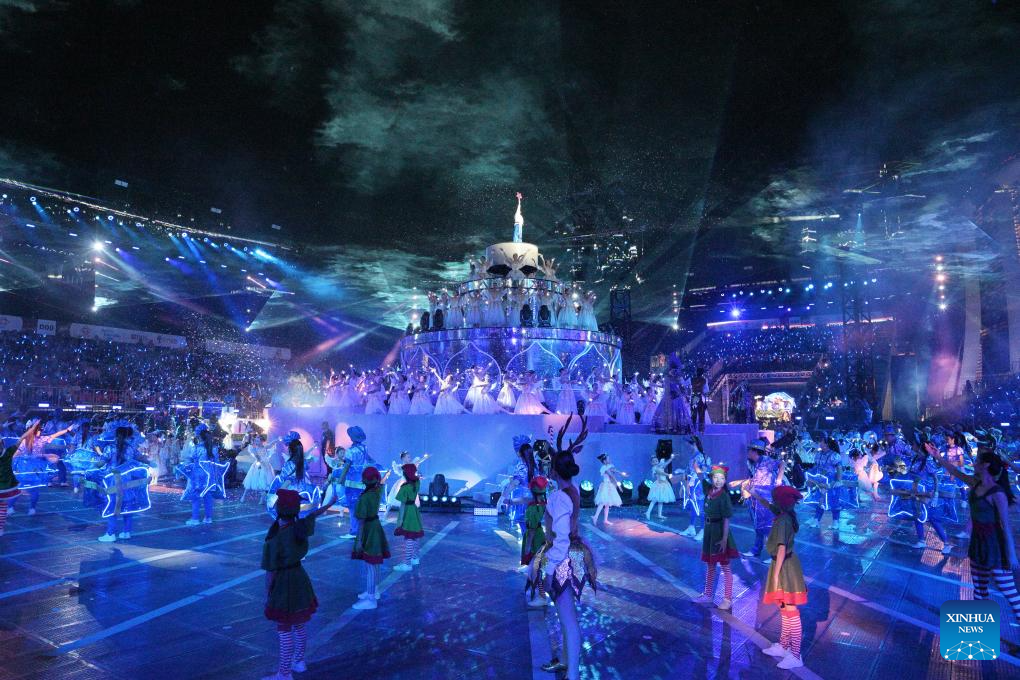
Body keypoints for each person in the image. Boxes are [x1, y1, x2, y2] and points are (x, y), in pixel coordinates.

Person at [526, 416, 596, 680]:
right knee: (566, 615)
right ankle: (566, 662)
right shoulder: (572, 491)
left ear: (554, 471)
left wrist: (548, 569)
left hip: (563, 560)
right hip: (570, 555)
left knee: (568, 618)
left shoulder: (558, 497)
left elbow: (562, 538)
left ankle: (573, 673)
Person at [932, 442, 1020, 622]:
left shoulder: (997, 493)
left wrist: (1012, 556)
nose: (974, 463)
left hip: (995, 548)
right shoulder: (975, 483)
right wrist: (938, 456)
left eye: (978, 461)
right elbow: (955, 471)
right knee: (979, 591)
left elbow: (1005, 526)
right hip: (978, 544)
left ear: (985, 465)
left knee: (1010, 593)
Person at [261, 488, 337, 680]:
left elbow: (270, 571)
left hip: (284, 582)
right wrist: (329, 503)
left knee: (284, 627)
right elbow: (314, 514)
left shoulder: (275, 539)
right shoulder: (300, 527)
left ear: (278, 509)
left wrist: (268, 594)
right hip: (300, 578)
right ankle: (299, 661)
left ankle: (284, 673)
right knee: (299, 623)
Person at [747, 484, 808, 670]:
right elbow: (769, 506)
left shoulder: (783, 521)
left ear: (781, 502)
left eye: (775, 499)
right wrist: (754, 494)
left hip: (785, 567)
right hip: (784, 564)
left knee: (790, 609)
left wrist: (774, 576)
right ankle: (783, 646)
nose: (773, 502)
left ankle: (795, 655)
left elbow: (781, 548)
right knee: (784, 608)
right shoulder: (785, 515)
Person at [96, 425, 153, 542]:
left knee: (113, 505)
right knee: (128, 504)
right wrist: (151, 463)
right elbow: (141, 458)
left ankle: (110, 533)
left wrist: (92, 468)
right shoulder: (131, 448)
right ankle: (126, 532)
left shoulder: (110, 448)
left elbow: (102, 462)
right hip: (128, 480)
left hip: (112, 480)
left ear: (116, 435)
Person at [694, 465, 739, 611]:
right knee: (710, 565)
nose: (719, 480)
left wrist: (724, 539)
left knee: (725, 567)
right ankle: (707, 595)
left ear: (725, 480)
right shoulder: (709, 490)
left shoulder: (724, 496)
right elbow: (701, 476)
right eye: (716, 477)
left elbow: (726, 519)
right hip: (709, 532)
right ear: (711, 478)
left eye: (722, 478)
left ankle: (727, 599)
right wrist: (696, 466)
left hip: (719, 532)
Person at [733, 439, 784, 561]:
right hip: (756, 497)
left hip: (766, 498)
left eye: (749, 450)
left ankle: (775, 555)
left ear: (755, 451)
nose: (747, 452)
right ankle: (756, 550)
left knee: (768, 527)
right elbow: (757, 479)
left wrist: (779, 479)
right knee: (758, 526)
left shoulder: (766, 460)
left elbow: (782, 463)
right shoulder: (755, 463)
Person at [351, 466, 390, 610]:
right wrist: (385, 475)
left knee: (370, 563)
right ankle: (373, 590)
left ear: (364, 480)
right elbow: (382, 482)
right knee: (375, 563)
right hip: (375, 527)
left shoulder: (365, 497)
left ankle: (371, 599)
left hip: (368, 529)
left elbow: (361, 521)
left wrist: (359, 540)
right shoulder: (377, 491)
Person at [179, 424, 227, 525]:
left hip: (198, 474)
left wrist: (184, 467)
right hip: (210, 475)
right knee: (208, 496)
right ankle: (208, 518)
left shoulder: (196, 448)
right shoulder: (213, 448)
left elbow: (190, 459)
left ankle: (195, 519)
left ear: (199, 435)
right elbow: (216, 462)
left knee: (196, 496)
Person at [337, 426, 374, 539]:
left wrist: (340, 480)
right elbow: (370, 460)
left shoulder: (350, 451)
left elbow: (347, 466)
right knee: (361, 506)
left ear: (352, 437)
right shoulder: (364, 448)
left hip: (352, 483)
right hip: (362, 482)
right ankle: (362, 530)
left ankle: (354, 531)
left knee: (353, 507)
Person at [393, 463, 424, 572]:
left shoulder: (405, 487)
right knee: (415, 535)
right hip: (414, 511)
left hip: (408, 512)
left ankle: (407, 563)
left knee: (409, 537)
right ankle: (415, 558)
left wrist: (400, 521)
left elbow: (402, 505)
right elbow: (418, 477)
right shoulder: (417, 483)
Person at [522, 476, 549, 598]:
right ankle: (533, 588)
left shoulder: (533, 508)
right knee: (536, 564)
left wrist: (528, 546)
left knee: (534, 565)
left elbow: (532, 530)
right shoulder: (543, 504)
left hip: (534, 538)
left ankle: (538, 592)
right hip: (540, 534)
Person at [681, 437, 710, 540]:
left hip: (699, 485)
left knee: (700, 507)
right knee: (692, 506)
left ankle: (703, 530)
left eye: (687, 444)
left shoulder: (702, 456)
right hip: (691, 485)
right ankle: (691, 527)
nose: (687, 446)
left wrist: (694, 478)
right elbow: (688, 470)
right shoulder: (693, 456)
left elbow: (705, 470)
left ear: (693, 443)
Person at [241, 434, 276, 504]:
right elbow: (257, 458)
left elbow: (271, 444)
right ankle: (243, 496)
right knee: (252, 480)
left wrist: (277, 440)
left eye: (258, 441)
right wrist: (260, 462)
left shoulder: (264, 446)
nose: (256, 442)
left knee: (263, 481)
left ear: (262, 441)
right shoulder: (254, 448)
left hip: (265, 464)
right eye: (256, 441)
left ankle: (262, 499)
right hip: (259, 464)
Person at [592, 453, 623, 525]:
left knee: (607, 504)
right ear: (604, 461)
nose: (609, 460)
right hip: (605, 486)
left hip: (610, 486)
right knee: (603, 502)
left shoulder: (610, 466)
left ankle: (605, 520)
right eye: (608, 459)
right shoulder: (603, 468)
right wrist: (619, 486)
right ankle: (595, 516)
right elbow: (612, 476)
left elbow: (614, 470)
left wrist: (621, 473)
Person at [645, 452, 676, 521]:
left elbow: (666, 463)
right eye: (653, 461)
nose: (655, 462)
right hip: (658, 485)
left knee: (661, 500)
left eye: (656, 461)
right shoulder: (654, 468)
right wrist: (668, 475)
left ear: (658, 461)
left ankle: (659, 514)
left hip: (664, 484)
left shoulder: (660, 466)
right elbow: (660, 472)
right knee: (654, 500)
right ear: (652, 463)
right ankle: (648, 512)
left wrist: (671, 458)